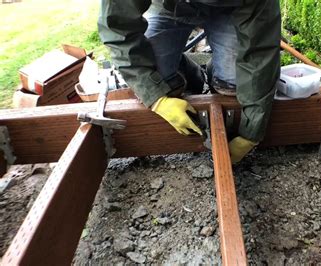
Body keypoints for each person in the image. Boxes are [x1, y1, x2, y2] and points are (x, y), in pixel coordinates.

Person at [98, 0, 281, 163]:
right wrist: (155, 97)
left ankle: (215, 73)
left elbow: (260, 51)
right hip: (169, 6)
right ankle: (189, 73)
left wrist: (252, 132)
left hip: (230, 9)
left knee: (235, 82)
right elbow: (117, 29)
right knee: (156, 75)